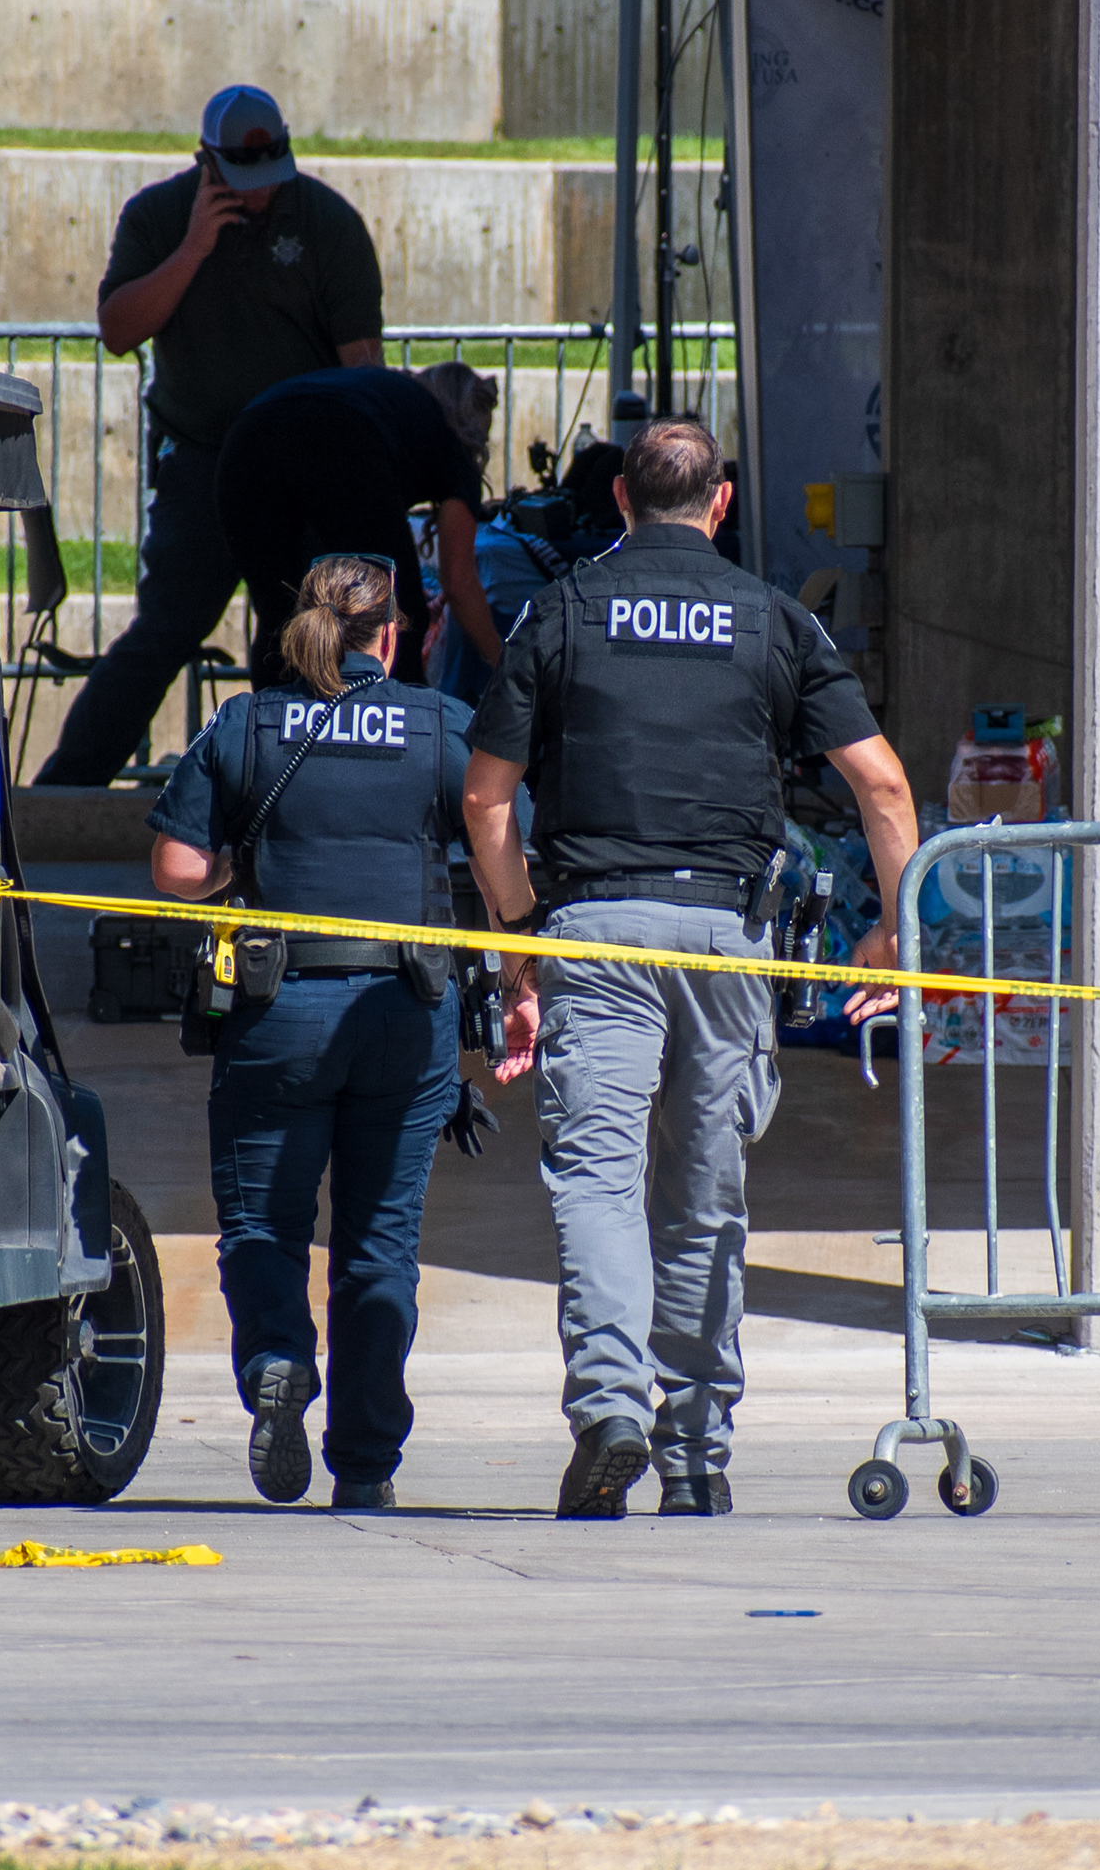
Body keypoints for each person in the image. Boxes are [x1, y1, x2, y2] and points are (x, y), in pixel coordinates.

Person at [460, 420, 918, 1521]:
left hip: (597, 930)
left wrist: (520, 936)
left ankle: (612, 1408)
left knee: (600, 1185)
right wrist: (897, 936)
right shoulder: (775, 620)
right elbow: (886, 787)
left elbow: (485, 800)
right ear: (720, 505)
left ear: (621, 499)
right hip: (726, 941)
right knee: (705, 1196)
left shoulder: (561, 610)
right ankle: (696, 1448)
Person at [148, 554, 476, 1513]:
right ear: (394, 632)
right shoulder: (439, 726)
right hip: (405, 1013)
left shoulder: (247, 723)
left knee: (263, 1224)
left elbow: (176, 865)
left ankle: (279, 1366)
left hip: (276, 1008)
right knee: (381, 1244)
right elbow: (500, 835)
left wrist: (243, 867)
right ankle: (366, 1461)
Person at [36, 86, 386, 787]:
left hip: (301, 470)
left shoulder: (327, 222)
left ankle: (295, 789)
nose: (259, 197)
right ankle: (62, 792)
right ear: (208, 162)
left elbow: (363, 365)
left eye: (270, 179)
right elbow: (118, 329)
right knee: (165, 630)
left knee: (298, 633)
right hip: (201, 459)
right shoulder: (159, 217)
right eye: (241, 182)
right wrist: (196, 245)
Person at [215, 361, 500, 685]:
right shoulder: (448, 439)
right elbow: (459, 582)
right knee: (399, 615)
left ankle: (270, 727)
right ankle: (402, 727)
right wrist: (504, 663)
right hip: (340, 434)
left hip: (245, 439)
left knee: (284, 617)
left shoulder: (387, 395)